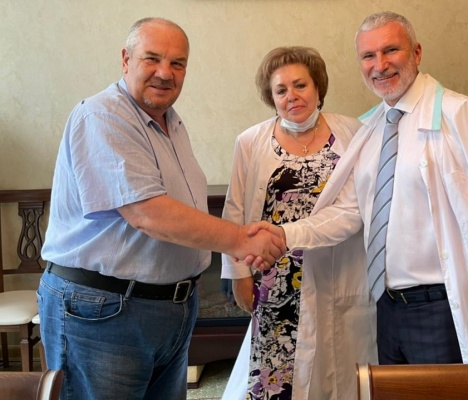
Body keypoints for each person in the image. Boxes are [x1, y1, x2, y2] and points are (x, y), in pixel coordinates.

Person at [258, 11, 468, 365]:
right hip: (385, 308)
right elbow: (350, 211)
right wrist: (284, 234)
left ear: (416, 52)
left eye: (390, 50)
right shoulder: (370, 130)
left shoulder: (460, 115)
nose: (380, 65)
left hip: (441, 308)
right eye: (368, 56)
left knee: (445, 391)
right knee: (391, 390)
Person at [38, 18, 284, 400]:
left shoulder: (171, 123)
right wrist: (240, 239)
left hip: (169, 310)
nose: (165, 73)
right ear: (126, 59)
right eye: (152, 58)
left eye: (177, 63)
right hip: (105, 312)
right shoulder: (103, 115)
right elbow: (149, 213)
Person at [221, 46, 376, 400]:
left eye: (300, 85)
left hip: (337, 269)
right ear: (271, 98)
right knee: (276, 373)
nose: (292, 96)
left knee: (337, 367)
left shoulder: (353, 133)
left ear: (318, 87)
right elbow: (235, 210)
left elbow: (358, 207)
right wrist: (239, 275)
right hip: (275, 278)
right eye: (281, 90)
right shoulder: (250, 141)